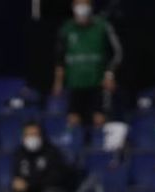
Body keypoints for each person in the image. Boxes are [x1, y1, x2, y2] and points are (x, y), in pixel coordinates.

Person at [53, 0, 123, 128]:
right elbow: (60, 59)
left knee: (99, 120)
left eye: (85, 4)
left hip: (97, 85)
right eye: (78, 4)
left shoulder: (103, 26)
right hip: (74, 85)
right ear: (73, 7)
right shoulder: (66, 29)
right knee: (73, 122)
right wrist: (58, 82)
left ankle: (98, 146)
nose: (82, 8)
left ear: (91, 6)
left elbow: (117, 53)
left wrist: (109, 74)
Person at [10, 120, 73, 192]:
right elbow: (16, 174)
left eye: (35, 134)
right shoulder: (19, 153)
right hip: (28, 191)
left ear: (41, 136)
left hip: (46, 189)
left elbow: (55, 178)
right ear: (23, 137)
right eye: (28, 135)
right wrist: (17, 182)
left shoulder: (52, 152)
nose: (32, 138)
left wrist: (30, 184)